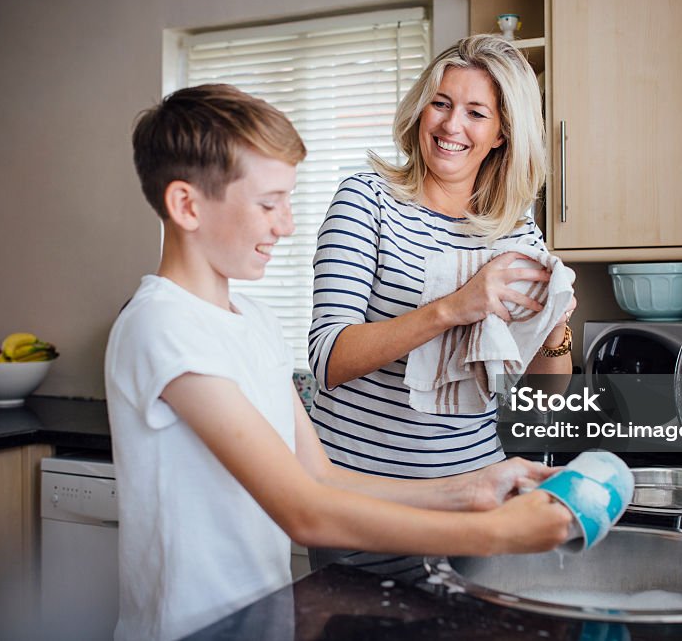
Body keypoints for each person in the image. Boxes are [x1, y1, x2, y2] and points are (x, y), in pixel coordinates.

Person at [105, 83, 574, 641]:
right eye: (268, 203)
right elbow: (305, 512)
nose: (287, 225)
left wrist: (474, 490)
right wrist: (496, 535)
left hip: (263, 621)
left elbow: (319, 476)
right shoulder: (163, 325)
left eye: (287, 201)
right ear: (186, 205)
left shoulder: (252, 320)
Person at [308, 34, 575, 481]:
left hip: (473, 488)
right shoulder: (366, 200)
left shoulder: (518, 233)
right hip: (360, 497)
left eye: (476, 113)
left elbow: (543, 401)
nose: (451, 126)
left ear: (501, 133)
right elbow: (328, 359)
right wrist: (452, 309)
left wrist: (556, 327)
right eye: (441, 103)